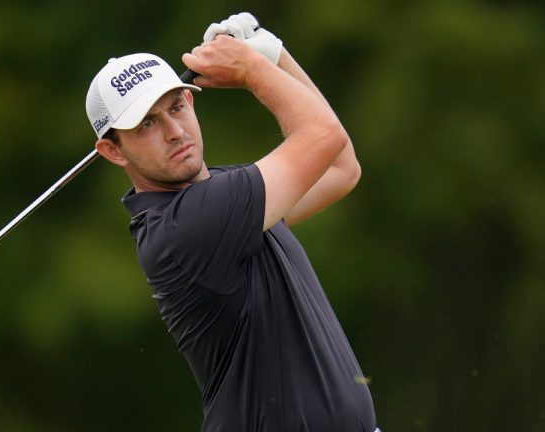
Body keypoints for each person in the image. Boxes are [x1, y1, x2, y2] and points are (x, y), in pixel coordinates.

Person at [85, 12, 378, 432]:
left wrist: (275, 57)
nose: (173, 131)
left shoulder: (225, 197)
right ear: (114, 151)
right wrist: (255, 69)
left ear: (191, 100)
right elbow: (323, 135)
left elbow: (340, 167)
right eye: (147, 123)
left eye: (176, 106)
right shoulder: (188, 225)